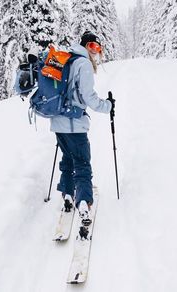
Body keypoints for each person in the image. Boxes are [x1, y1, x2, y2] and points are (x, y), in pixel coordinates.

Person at [51, 31, 113, 225]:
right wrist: (108, 106)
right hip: (75, 124)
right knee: (82, 163)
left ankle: (68, 195)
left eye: (98, 49)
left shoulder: (67, 60)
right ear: (86, 45)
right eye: (93, 47)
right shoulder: (83, 64)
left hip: (58, 122)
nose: (95, 52)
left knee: (68, 159)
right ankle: (84, 203)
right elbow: (90, 98)